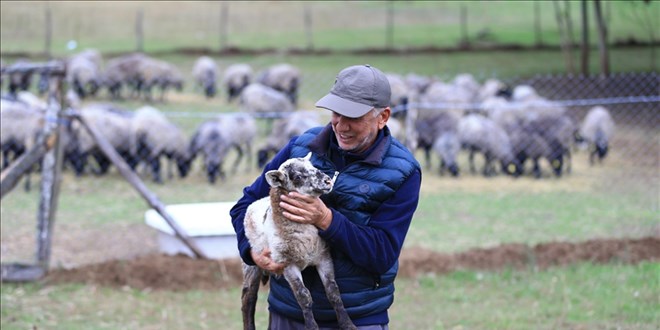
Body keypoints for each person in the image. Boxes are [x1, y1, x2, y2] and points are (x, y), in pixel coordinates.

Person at [230, 64, 422, 329]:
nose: (340, 125)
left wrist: (326, 220)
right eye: (336, 113)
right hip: (289, 314)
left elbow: (382, 253)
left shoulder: (402, 172)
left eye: (353, 117)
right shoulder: (300, 149)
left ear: (383, 116)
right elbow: (244, 206)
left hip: (358, 318)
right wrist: (252, 252)